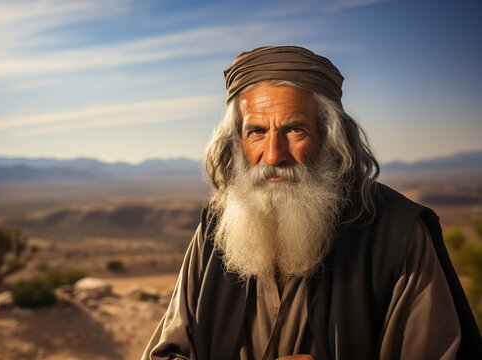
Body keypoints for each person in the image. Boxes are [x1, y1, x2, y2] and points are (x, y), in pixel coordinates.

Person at [142, 46, 482, 360]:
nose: (273, 156)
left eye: (294, 130)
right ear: (237, 141)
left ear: (331, 137)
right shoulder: (217, 227)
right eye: (257, 131)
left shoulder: (397, 234)